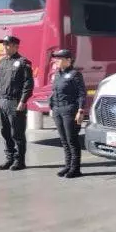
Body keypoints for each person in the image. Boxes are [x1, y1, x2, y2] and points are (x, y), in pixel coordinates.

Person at [0, 35, 34, 171]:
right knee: (5, 132)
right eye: (4, 44)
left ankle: (19, 161)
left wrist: (23, 101)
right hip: (2, 101)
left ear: (16, 46)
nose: (4, 47)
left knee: (17, 133)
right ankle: (9, 158)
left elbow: (28, 84)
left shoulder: (23, 62)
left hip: (15, 102)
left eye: (7, 44)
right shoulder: (2, 62)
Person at [48, 49, 87, 178]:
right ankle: (68, 165)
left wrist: (80, 110)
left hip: (70, 110)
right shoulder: (57, 74)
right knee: (64, 140)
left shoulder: (75, 74)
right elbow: (54, 92)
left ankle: (75, 169)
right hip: (58, 110)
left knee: (72, 140)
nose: (56, 61)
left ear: (68, 60)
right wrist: (51, 107)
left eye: (59, 59)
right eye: (56, 58)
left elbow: (81, 94)